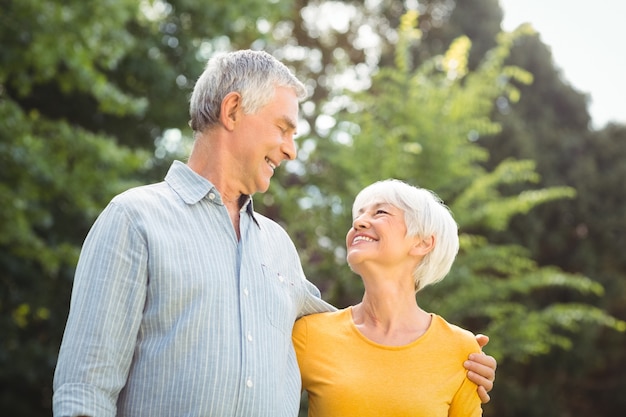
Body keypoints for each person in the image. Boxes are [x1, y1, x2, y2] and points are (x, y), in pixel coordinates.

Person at [53, 50, 495, 417]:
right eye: (283, 127)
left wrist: (450, 357)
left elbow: (359, 332)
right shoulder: (135, 218)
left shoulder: (278, 246)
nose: (291, 148)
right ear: (232, 111)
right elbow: (84, 392)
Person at [293, 179, 488, 417]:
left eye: (380, 212)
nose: (358, 222)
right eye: (360, 214)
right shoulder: (309, 334)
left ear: (423, 242)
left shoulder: (462, 350)